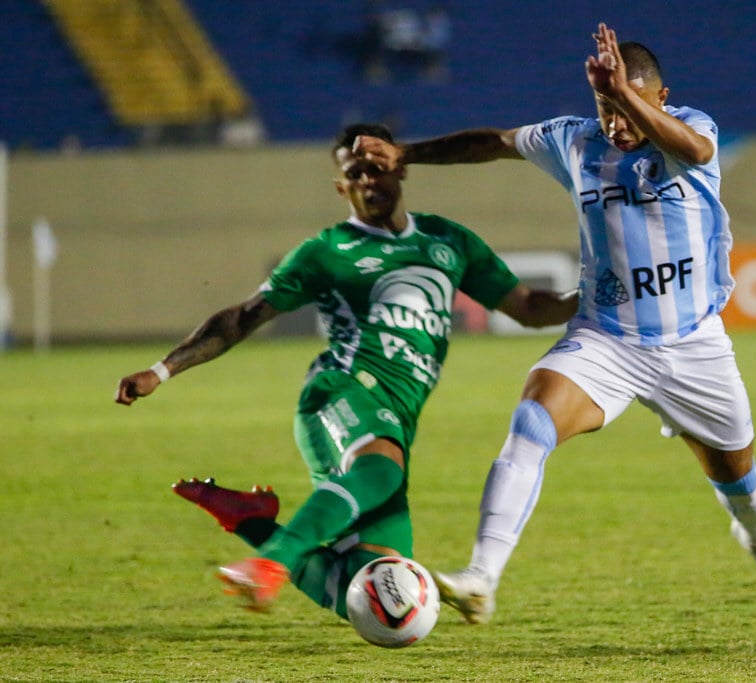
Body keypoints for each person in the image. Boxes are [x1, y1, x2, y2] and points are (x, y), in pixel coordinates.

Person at [353, 23, 756, 624]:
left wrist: (625, 93)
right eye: (605, 109)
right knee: (530, 422)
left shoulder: (694, 132)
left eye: (629, 108)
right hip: (606, 340)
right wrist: (407, 153)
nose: (616, 124)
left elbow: (697, 153)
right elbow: (494, 141)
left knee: (736, 474)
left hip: (694, 343)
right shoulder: (574, 141)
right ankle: (482, 576)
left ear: (660, 99)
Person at [114, 123, 578, 615]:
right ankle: (273, 562)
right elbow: (243, 316)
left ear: (399, 168)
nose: (367, 180)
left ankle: (248, 518)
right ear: (342, 187)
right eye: (354, 173)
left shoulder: (448, 241)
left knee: (372, 592)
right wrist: (161, 370)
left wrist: (588, 300)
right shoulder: (327, 251)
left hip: (397, 418)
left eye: (376, 168)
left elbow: (528, 307)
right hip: (339, 394)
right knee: (377, 470)